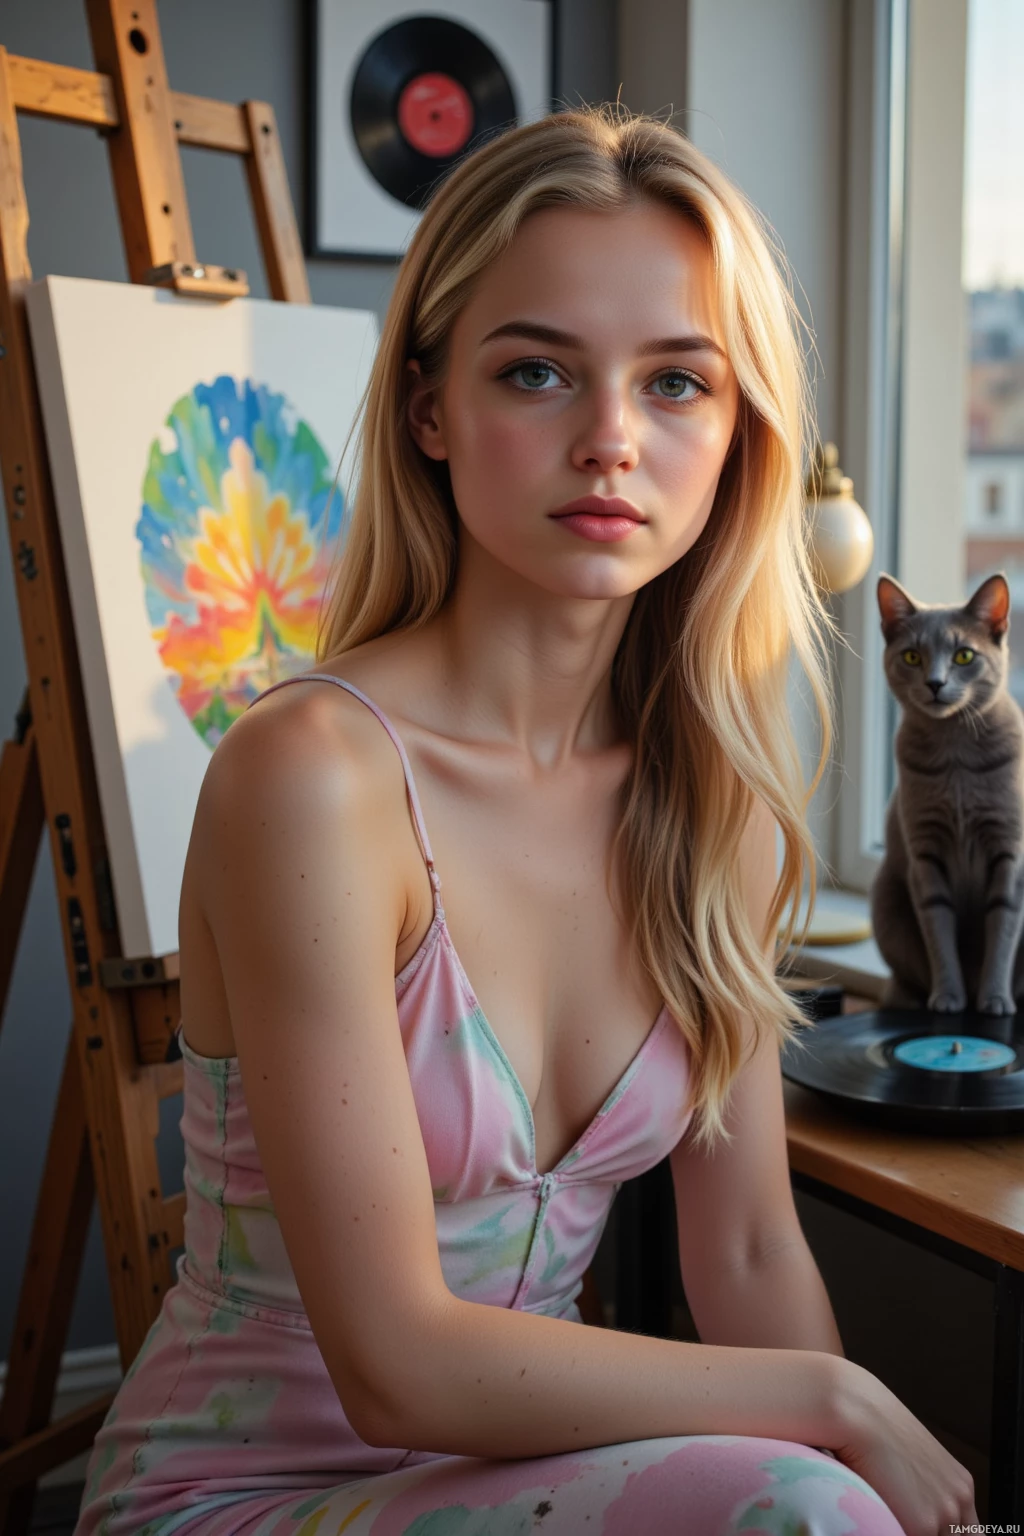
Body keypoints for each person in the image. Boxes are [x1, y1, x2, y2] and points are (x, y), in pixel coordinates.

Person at [74, 105, 978, 1536]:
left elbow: (741, 1250)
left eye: (678, 382)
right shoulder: (314, 778)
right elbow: (396, 1366)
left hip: (530, 1488)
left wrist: (843, 1441)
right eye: (540, 370)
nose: (612, 440)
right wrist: (835, 1407)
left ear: (739, 432)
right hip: (243, 1495)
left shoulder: (718, 806)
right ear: (432, 407)